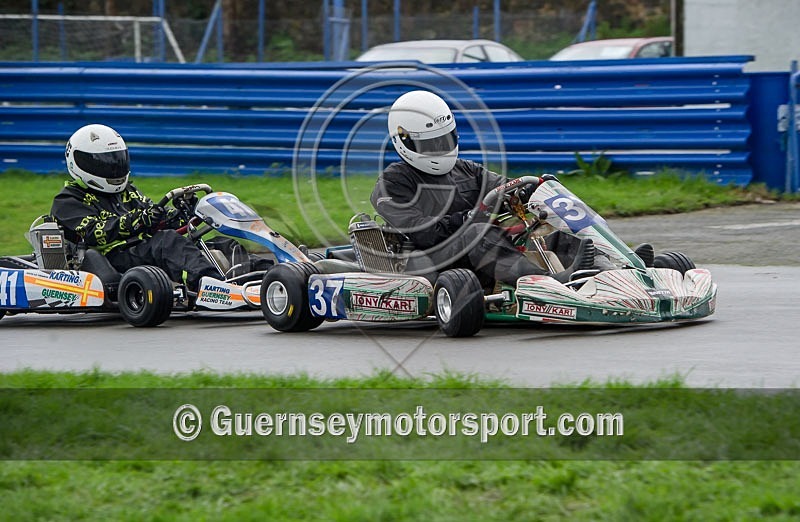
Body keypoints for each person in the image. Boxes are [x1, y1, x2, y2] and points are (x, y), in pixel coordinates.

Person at [370, 90, 596, 285]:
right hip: (436, 260)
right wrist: (468, 217)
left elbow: (503, 186)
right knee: (477, 232)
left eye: (444, 141)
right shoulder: (393, 182)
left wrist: (529, 192)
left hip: (487, 247)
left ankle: (608, 271)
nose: (439, 149)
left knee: (559, 234)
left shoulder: (467, 170)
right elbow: (423, 233)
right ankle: (548, 282)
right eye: (429, 144)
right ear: (403, 140)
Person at [50, 123, 222, 292]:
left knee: (219, 243)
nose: (113, 168)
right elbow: (94, 233)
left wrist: (180, 215)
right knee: (167, 241)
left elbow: (152, 215)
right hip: (110, 258)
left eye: (117, 160)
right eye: (105, 163)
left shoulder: (127, 192)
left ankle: (241, 278)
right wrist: (137, 220)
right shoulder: (68, 200)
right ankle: (212, 288)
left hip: (140, 249)